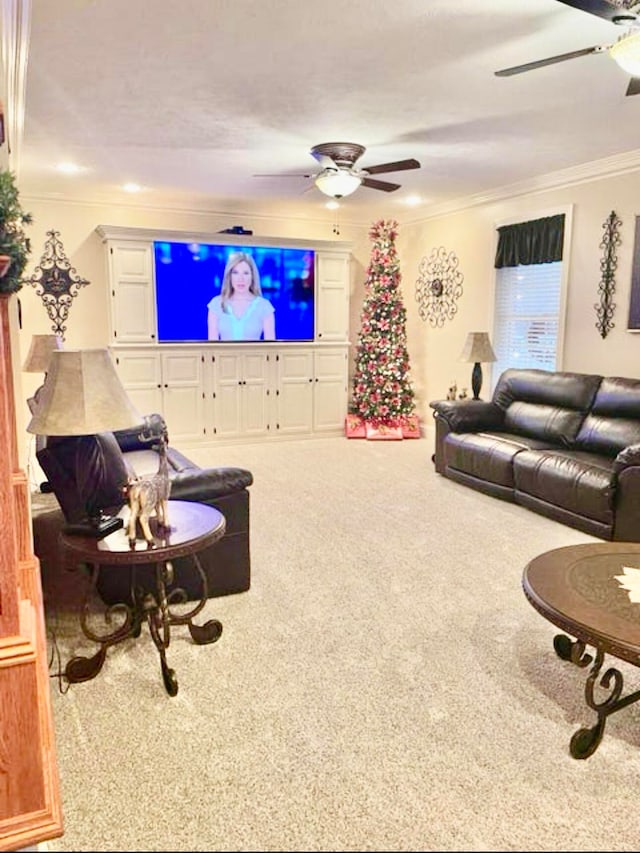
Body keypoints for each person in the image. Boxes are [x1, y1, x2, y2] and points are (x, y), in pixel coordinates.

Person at [207, 252, 275, 341]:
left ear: (252, 276)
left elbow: (271, 350)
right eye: (235, 273)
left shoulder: (264, 306)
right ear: (229, 276)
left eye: (246, 273)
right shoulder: (216, 304)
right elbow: (212, 349)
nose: (241, 279)